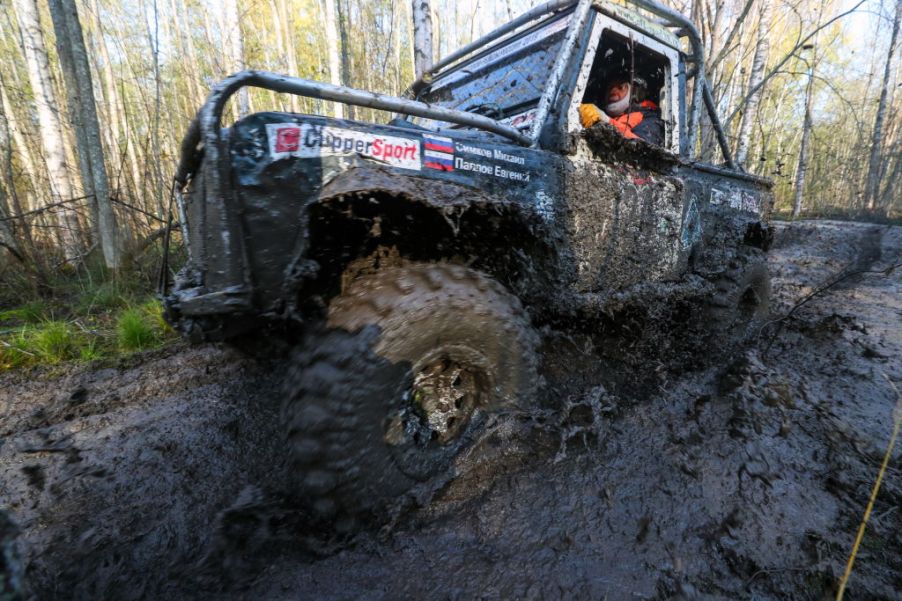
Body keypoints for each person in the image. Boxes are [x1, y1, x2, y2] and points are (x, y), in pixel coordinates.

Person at [579, 75, 664, 146]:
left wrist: (606, 122)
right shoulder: (610, 116)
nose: (613, 91)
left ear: (635, 93)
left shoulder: (650, 117)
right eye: (610, 88)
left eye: (620, 87)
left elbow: (645, 150)